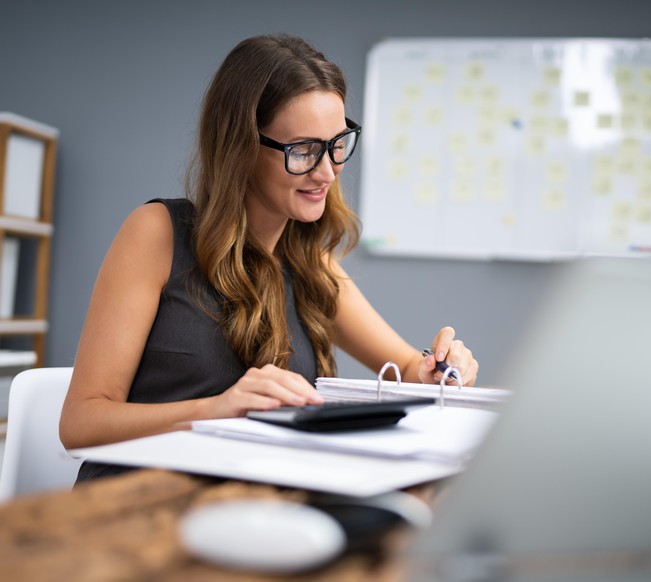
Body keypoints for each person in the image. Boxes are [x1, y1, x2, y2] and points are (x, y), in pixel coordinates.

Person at [59, 34, 479, 482]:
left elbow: (409, 371)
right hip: (136, 509)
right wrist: (217, 410)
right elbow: (80, 424)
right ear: (240, 147)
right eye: (302, 150)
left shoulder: (311, 265)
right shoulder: (157, 233)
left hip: (247, 512)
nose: (327, 172)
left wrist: (439, 368)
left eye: (337, 143)